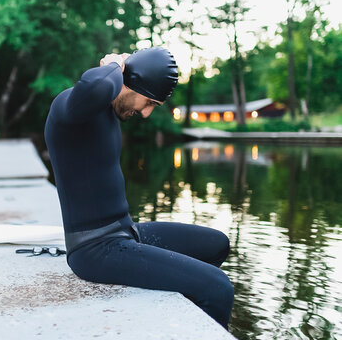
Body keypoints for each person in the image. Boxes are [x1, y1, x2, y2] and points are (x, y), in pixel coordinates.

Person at [43, 47, 234, 329]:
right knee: (219, 288)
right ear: (125, 82)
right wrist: (114, 66)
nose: (145, 114)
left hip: (126, 233)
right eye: (148, 102)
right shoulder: (70, 109)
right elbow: (93, 86)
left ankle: (180, 327)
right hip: (95, 249)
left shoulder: (107, 114)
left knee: (216, 244)